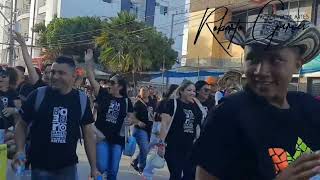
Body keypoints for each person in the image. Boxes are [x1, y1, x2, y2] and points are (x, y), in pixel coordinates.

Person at [192, 14, 320, 180]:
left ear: (297, 64)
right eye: (252, 58)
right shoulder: (229, 114)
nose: (260, 71)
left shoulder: (308, 107)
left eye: (275, 60)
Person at [13, 56, 100, 179]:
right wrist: (20, 150)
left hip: (67, 168)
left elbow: (88, 135)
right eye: (53, 72)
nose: (54, 76)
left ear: (73, 76)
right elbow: (21, 124)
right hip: (40, 166)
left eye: (61, 73)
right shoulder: (38, 95)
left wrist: (94, 167)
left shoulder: (81, 100)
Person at [85, 49, 134, 180]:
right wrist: (88, 61)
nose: (109, 84)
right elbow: (91, 76)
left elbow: (131, 118)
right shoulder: (103, 94)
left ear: (120, 87)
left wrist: (130, 121)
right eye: (109, 82)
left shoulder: (127, 101)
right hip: (102, 137)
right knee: (102, 166)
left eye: (112, 83)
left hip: (117, 140)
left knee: (113, 171)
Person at [159, 80, 203, 180]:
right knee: (176, 174)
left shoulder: (195, 106)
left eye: (194, 91)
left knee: (190, 175)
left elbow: (198, 125)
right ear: (181, 91)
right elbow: (165, 124)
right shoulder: (172, 104)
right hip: (173, 147)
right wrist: (161, 144)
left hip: (189, 147)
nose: (192, 93)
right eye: (189, 90)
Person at [142, 84, 179, 180]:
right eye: (176, 91)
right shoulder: (164, 102)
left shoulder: (177, 103)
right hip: (159, 128)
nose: (177, 94)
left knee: (158, 152)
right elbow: (155, 117)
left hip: (169, 130)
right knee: (154, 151)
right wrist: (157, 129)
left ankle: (146, 171)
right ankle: (147, 172)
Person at [131, 86, 154, 173]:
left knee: (145, 149)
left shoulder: (152, 102)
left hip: (149, 129)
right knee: (144, 148)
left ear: (149, 92)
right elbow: (132, 117)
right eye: (142, 91)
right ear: (139, 92)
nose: (144, 92)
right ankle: (142, 168)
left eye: (145, 90)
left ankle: (135, 161)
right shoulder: (137, 103)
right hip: (139, 129)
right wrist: (138, 122)